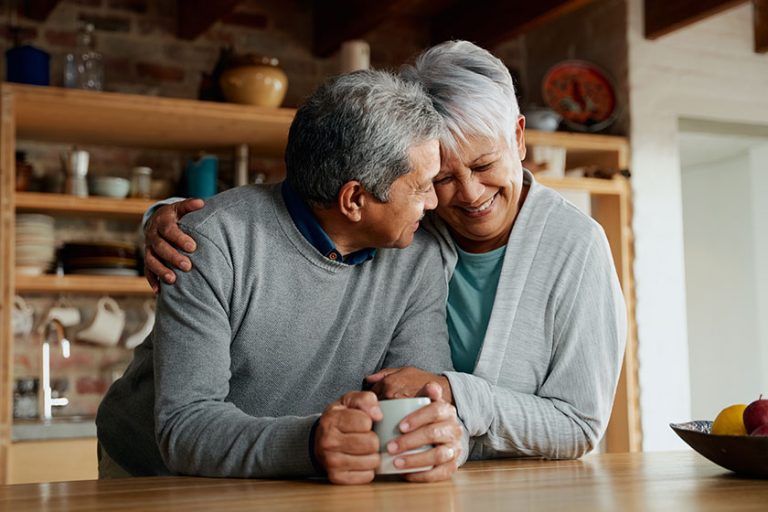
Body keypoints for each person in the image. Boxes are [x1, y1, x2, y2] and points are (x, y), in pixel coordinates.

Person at [145, 41, 627, 461]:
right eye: (436, 178)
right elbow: (312, 194)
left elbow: (577, 424)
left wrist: (450, 411)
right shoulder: (413, 228)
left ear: (518, 137)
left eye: (484, 164)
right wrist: (167, 218)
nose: (460, 194)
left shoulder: (568, 248)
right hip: (197, 469)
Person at [96, 69, 464, 485]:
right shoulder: (211, 243)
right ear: (355, 199)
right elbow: (183, 426)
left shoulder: (417, 257)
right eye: (421, 187)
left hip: (295, 473)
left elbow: (420, 402)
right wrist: (309, 444)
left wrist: (441, 440)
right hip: (152, 472)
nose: (435, 202)